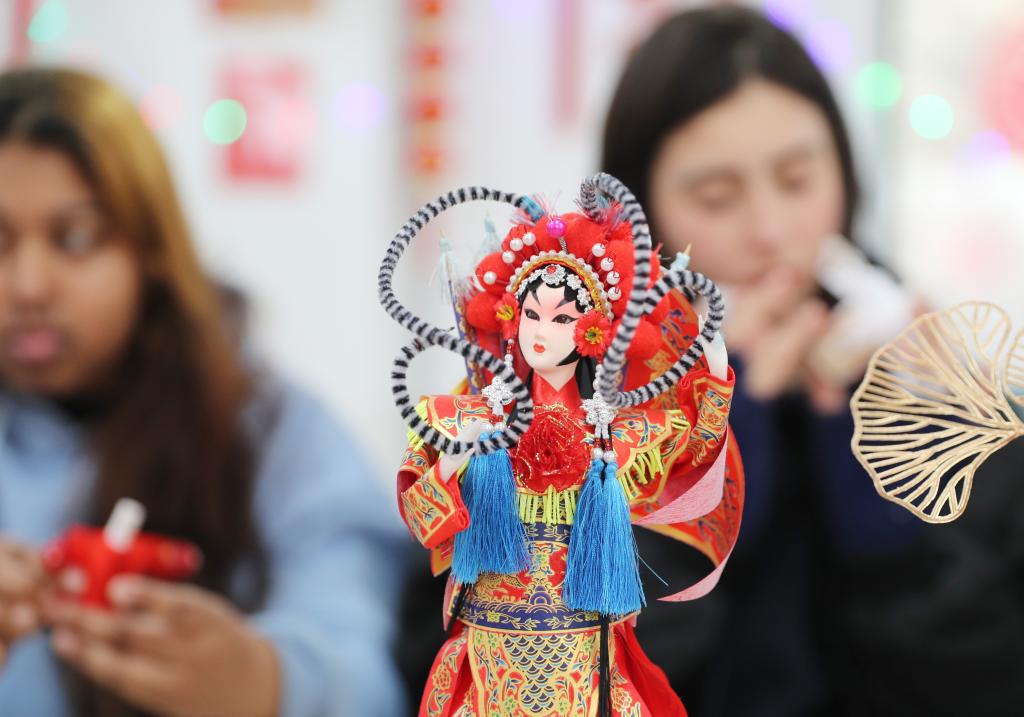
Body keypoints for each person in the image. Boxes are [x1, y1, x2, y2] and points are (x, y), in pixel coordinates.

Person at [601, 6, 1024, 716]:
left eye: (798, 181)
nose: (771, 231)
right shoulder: (560, 406)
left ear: (846, 179)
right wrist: (696, 476)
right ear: (641, 219)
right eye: (716, 197)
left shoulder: (949, 387)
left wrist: (904, 525)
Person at [0, 67, 406, 717]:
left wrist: (263, 681)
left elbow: (370, 677)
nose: (28, 286)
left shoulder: (278, 437)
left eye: (75, 238)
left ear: (152, 253)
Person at [383, 174, 743, 716]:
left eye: (561, 318)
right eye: (531, 314)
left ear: (594, 330)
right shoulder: (467, 417)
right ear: (510, 315)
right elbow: (420, 517)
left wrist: (713, 375)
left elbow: (695, 454)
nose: (541, 330)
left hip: (583, 650)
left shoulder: (615, 431)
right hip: (489, 648)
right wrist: (451, 464)